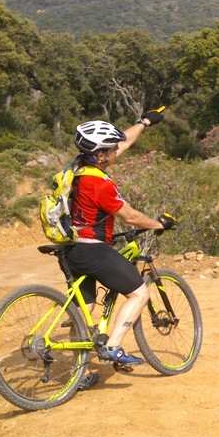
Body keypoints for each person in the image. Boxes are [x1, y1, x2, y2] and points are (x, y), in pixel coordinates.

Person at [66, 109, 175, 390]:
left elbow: (122, 142)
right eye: (111, 149)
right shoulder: (99, 183)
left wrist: (144, 122)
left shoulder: (77, 168)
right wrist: (157, 224)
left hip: (70, 249)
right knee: (139, 292)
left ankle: (81, 374)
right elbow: (130, 217)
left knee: (84, 308)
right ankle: (113, 346)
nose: (118, 150)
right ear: (101, 155)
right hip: (93, 250)